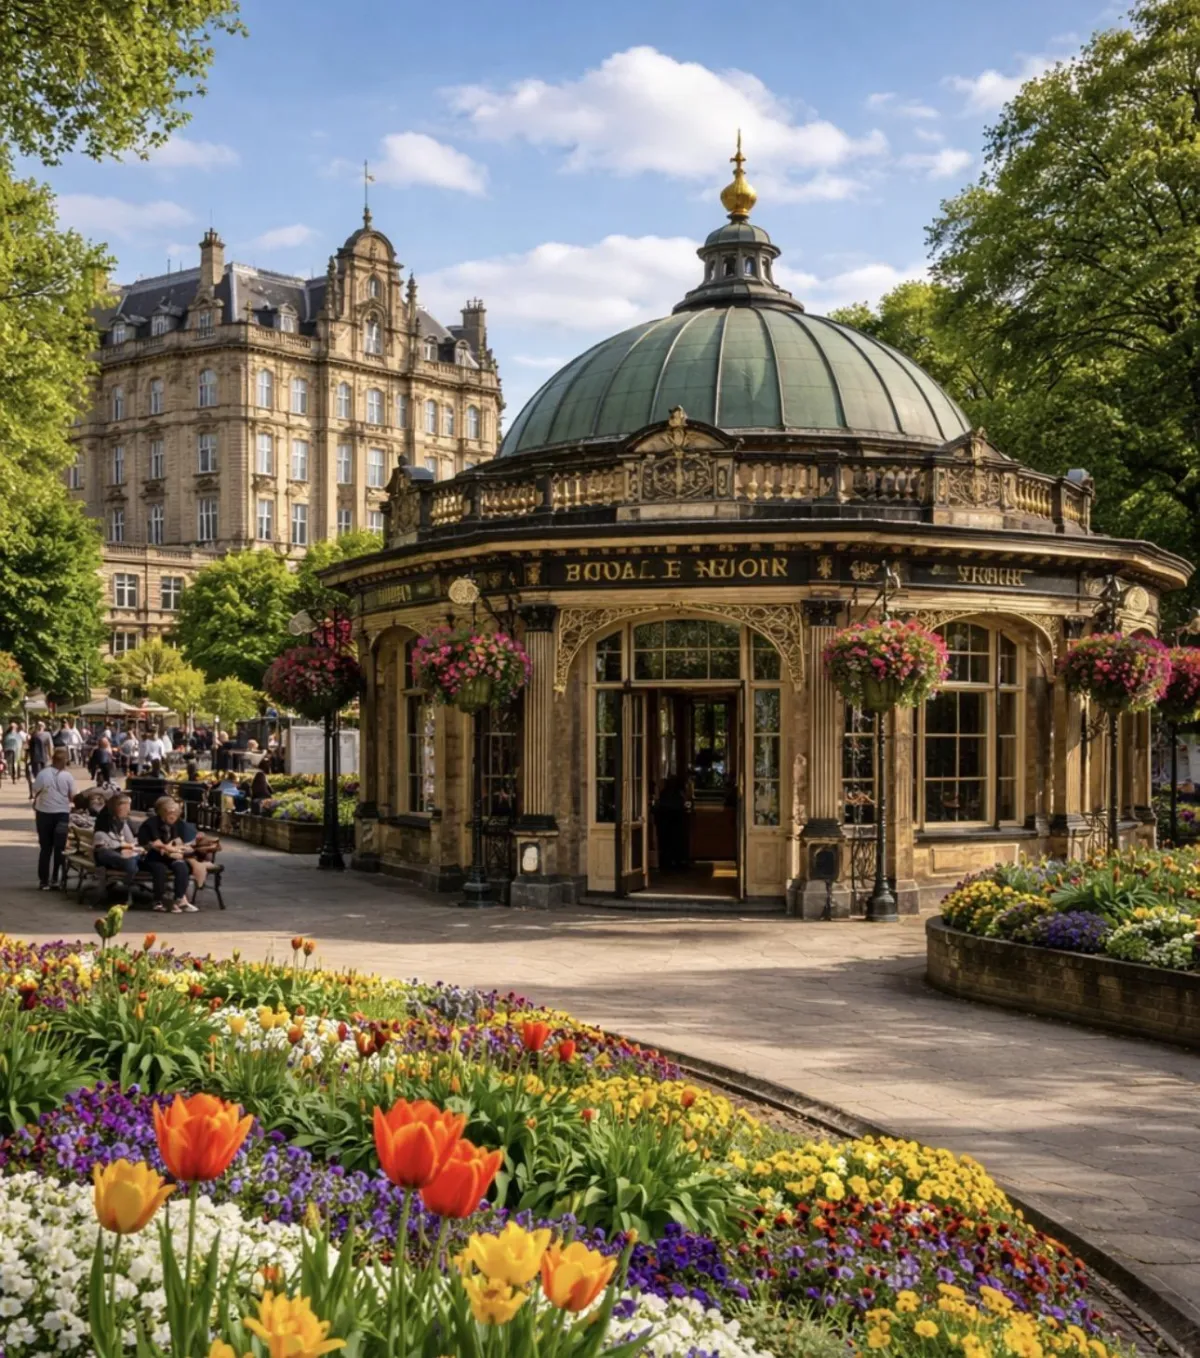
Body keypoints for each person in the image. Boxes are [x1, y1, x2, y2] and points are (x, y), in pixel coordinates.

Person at [137, 796, 194, 913]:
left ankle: (179, 899)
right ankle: (158, 901)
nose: (174, 815)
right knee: (160, 868)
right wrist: (169, 849)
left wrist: (181, 850)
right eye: (170, 812)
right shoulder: (150, 824)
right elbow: (154, 845)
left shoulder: (175, 824)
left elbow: (179, 842)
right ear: (162, 811)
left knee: (181, 866)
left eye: (176, 812)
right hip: (152, 858)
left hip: (169, 857)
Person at [31, 747, 75, 890]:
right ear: (64, 761)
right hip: (62, 814)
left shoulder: (42, 774)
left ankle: (44, 880)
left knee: (45, 848)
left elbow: (35, 790)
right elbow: (73, 796)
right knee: (59, 848)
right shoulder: (68, 776)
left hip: (43, 813)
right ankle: (56, 878)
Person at [92, 792, 143, 894]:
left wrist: (133, 845)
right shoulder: (104, 822)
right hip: (106, 853)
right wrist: (129, 846)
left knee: (135, 859)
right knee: (130, 862)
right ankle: (126, 885)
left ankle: (127, 881)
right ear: (117, 808)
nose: (128, 811)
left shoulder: (121, 821)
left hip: (121, 852)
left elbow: (130, 839)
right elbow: (109, 844)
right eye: (126, 808)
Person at [652, 775, 690, 872]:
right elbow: (682, 806)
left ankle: (668, 862)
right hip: (674, 824)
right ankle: (676, 862)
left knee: (667, 845)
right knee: (675, 843)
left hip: (666, 824)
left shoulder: (664, 793)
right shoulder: (677, 794)